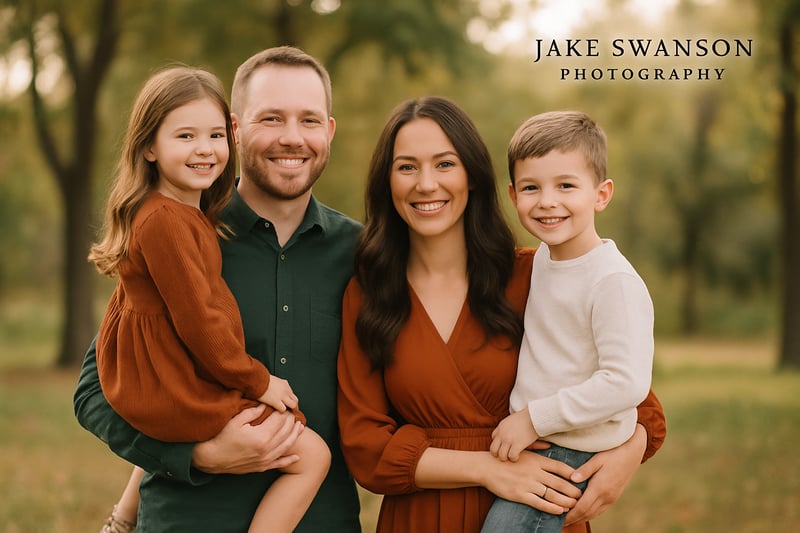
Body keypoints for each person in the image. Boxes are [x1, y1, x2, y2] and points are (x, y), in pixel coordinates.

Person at [336, 96, 666, 533]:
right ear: (387, 182)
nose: (426, 184)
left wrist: (626, 455)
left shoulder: (535, 274)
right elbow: (366, 447)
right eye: (407, 167)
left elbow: (637, 401)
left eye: (445, 164)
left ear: (472, 175)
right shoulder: (370, 293)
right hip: (421, 517)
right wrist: (487, 469)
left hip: (540, 506)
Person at [74, 47, 363, 532]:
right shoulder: (181, 235)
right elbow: (95, 392)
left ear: (328, 130)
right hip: (187, 518)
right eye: (271, 118)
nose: (292, 138)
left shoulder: (363, 253)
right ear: (236, 128)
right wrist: (196, 453)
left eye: (308, 120)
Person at [480, 111, 655, 533]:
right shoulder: (542, 259)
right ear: (512, 194)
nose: (547, 201)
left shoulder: (612, 281)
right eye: (531, 188)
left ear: (601, 194)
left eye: (566, 186)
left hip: (569, 452)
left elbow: (626, 382)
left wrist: (532, 419)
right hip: (541, 447)